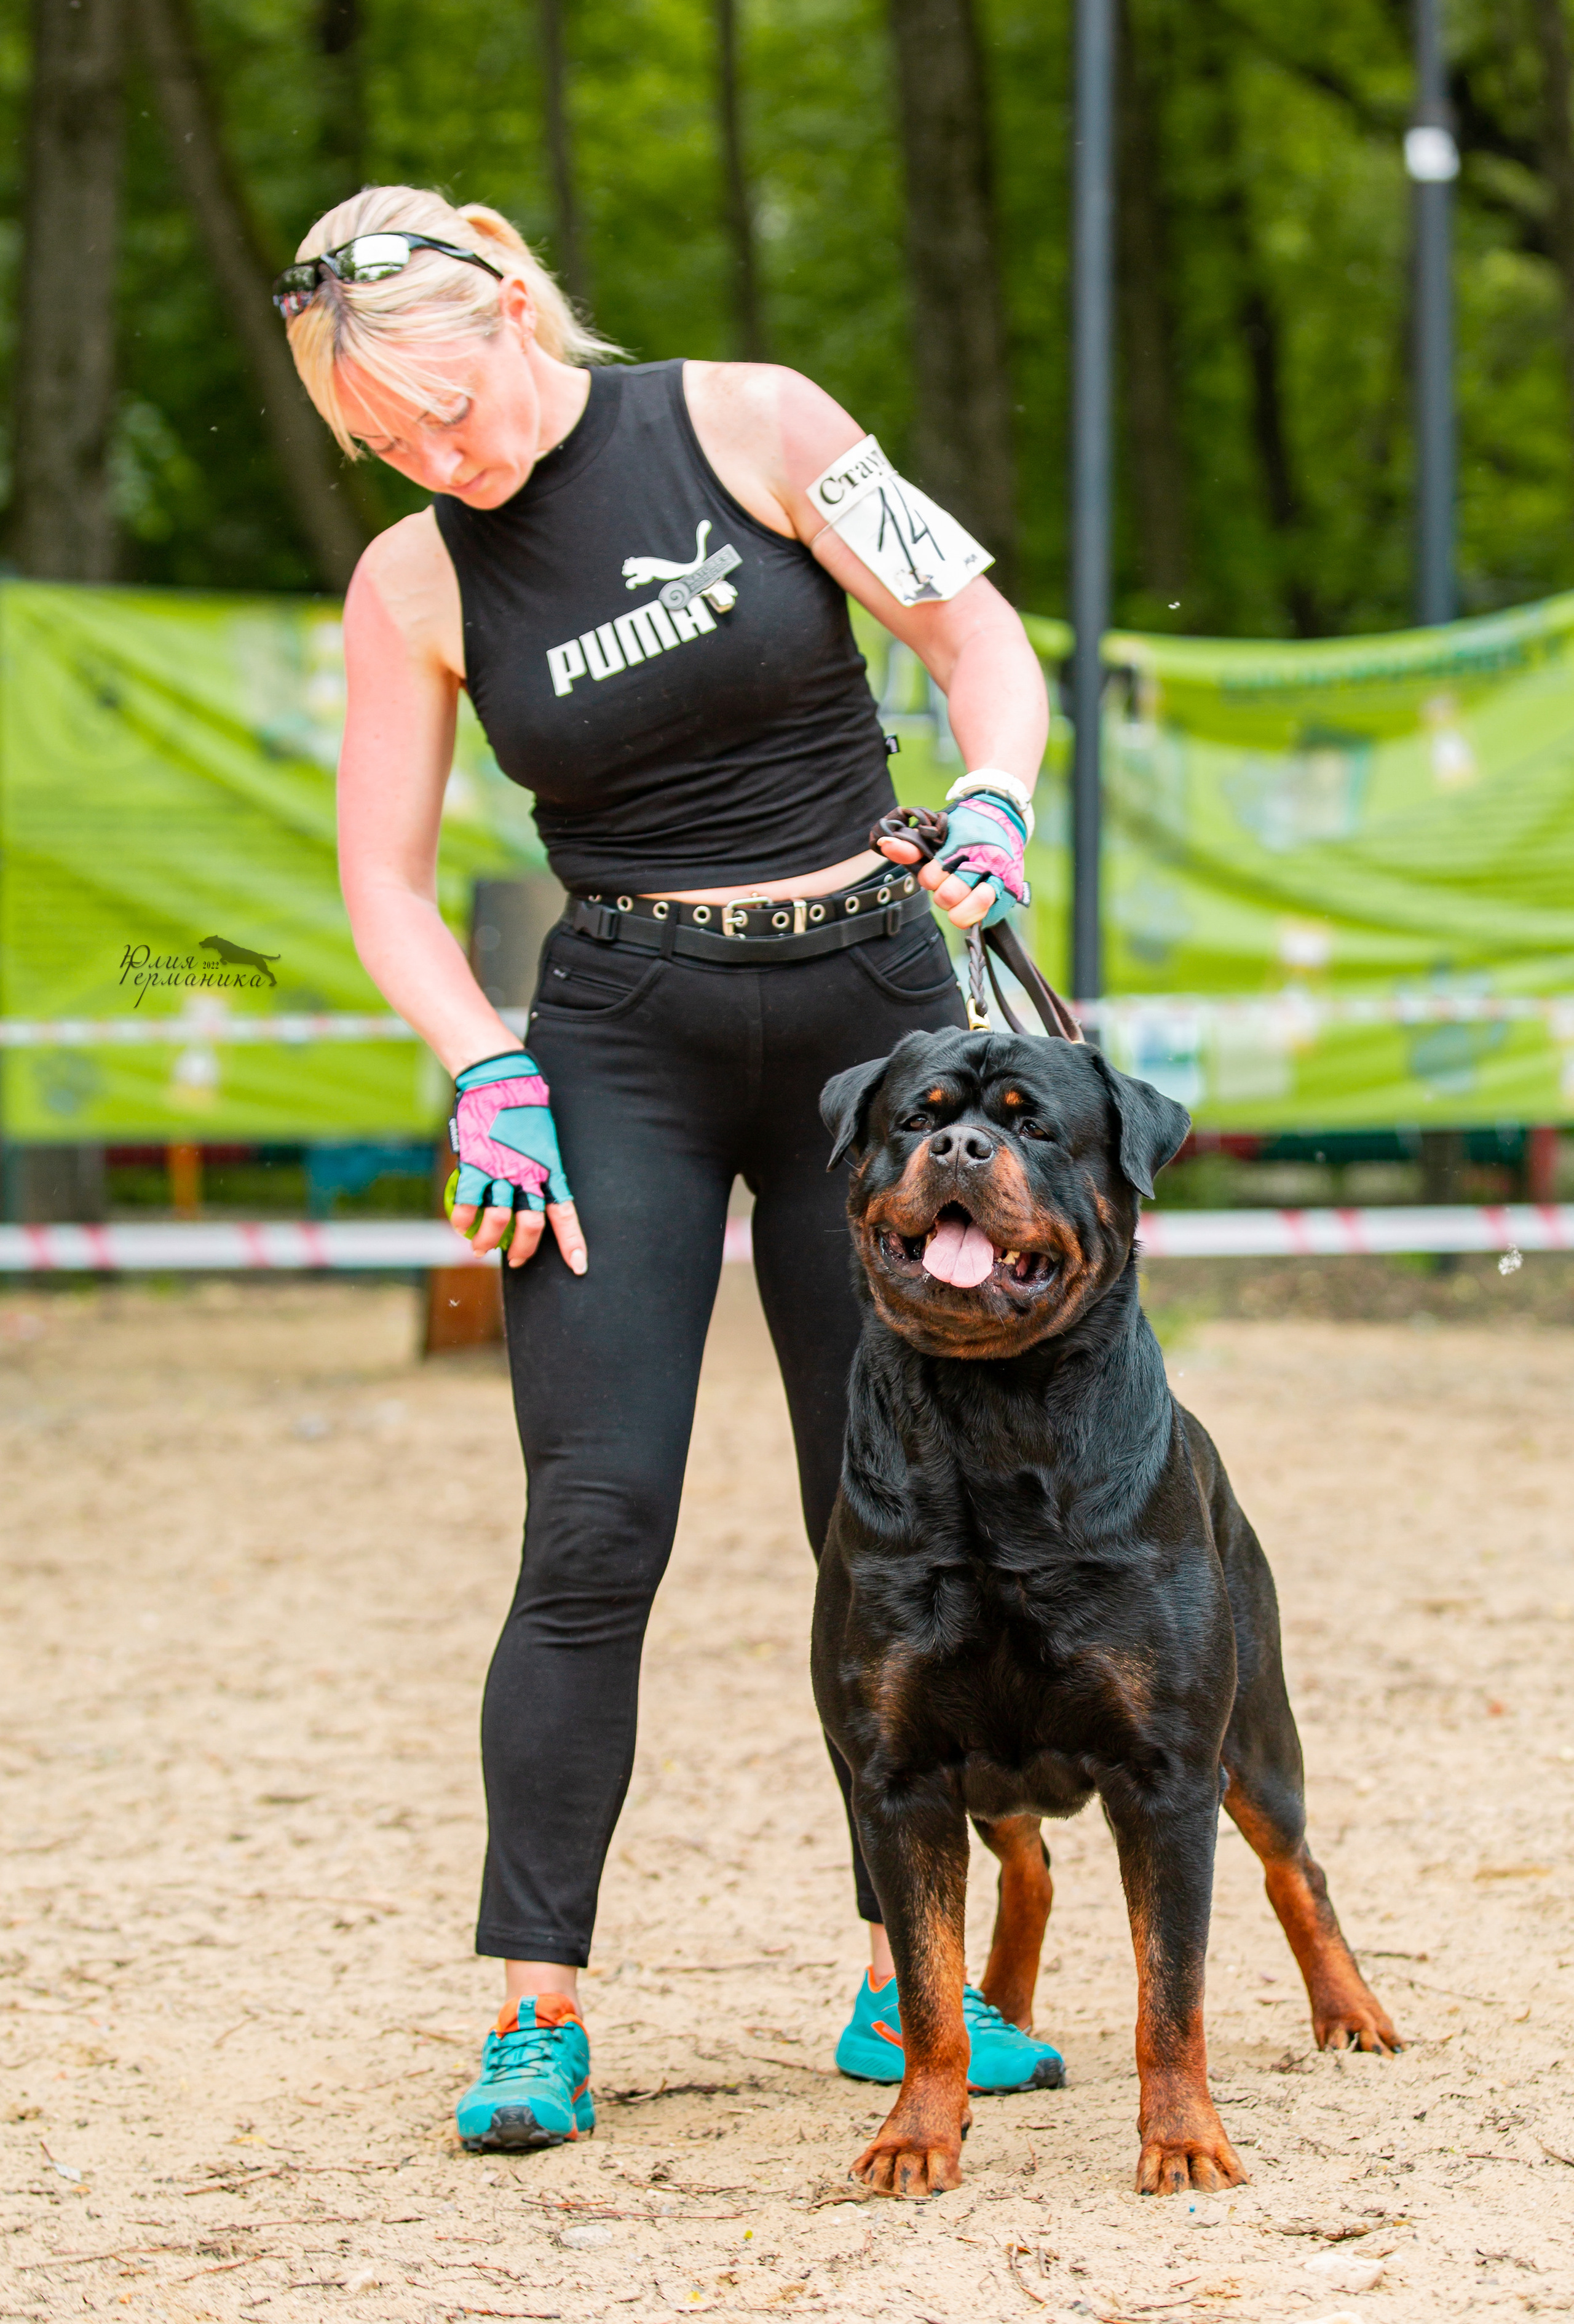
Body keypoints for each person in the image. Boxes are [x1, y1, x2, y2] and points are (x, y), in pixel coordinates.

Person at [279, 184, 1064, 2149]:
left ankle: (906, 1985)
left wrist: (991, 796)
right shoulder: (414, 581)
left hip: (873, 1038)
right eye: (390, 449)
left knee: (883, 1523)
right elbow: (379, 877)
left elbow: (983, 644)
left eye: (447, 419)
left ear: (520, 308)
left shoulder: (761, 421)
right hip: (616, 1039)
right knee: (593, 1528)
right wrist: (485, 1066)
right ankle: (537, 2014)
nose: (439, 464)